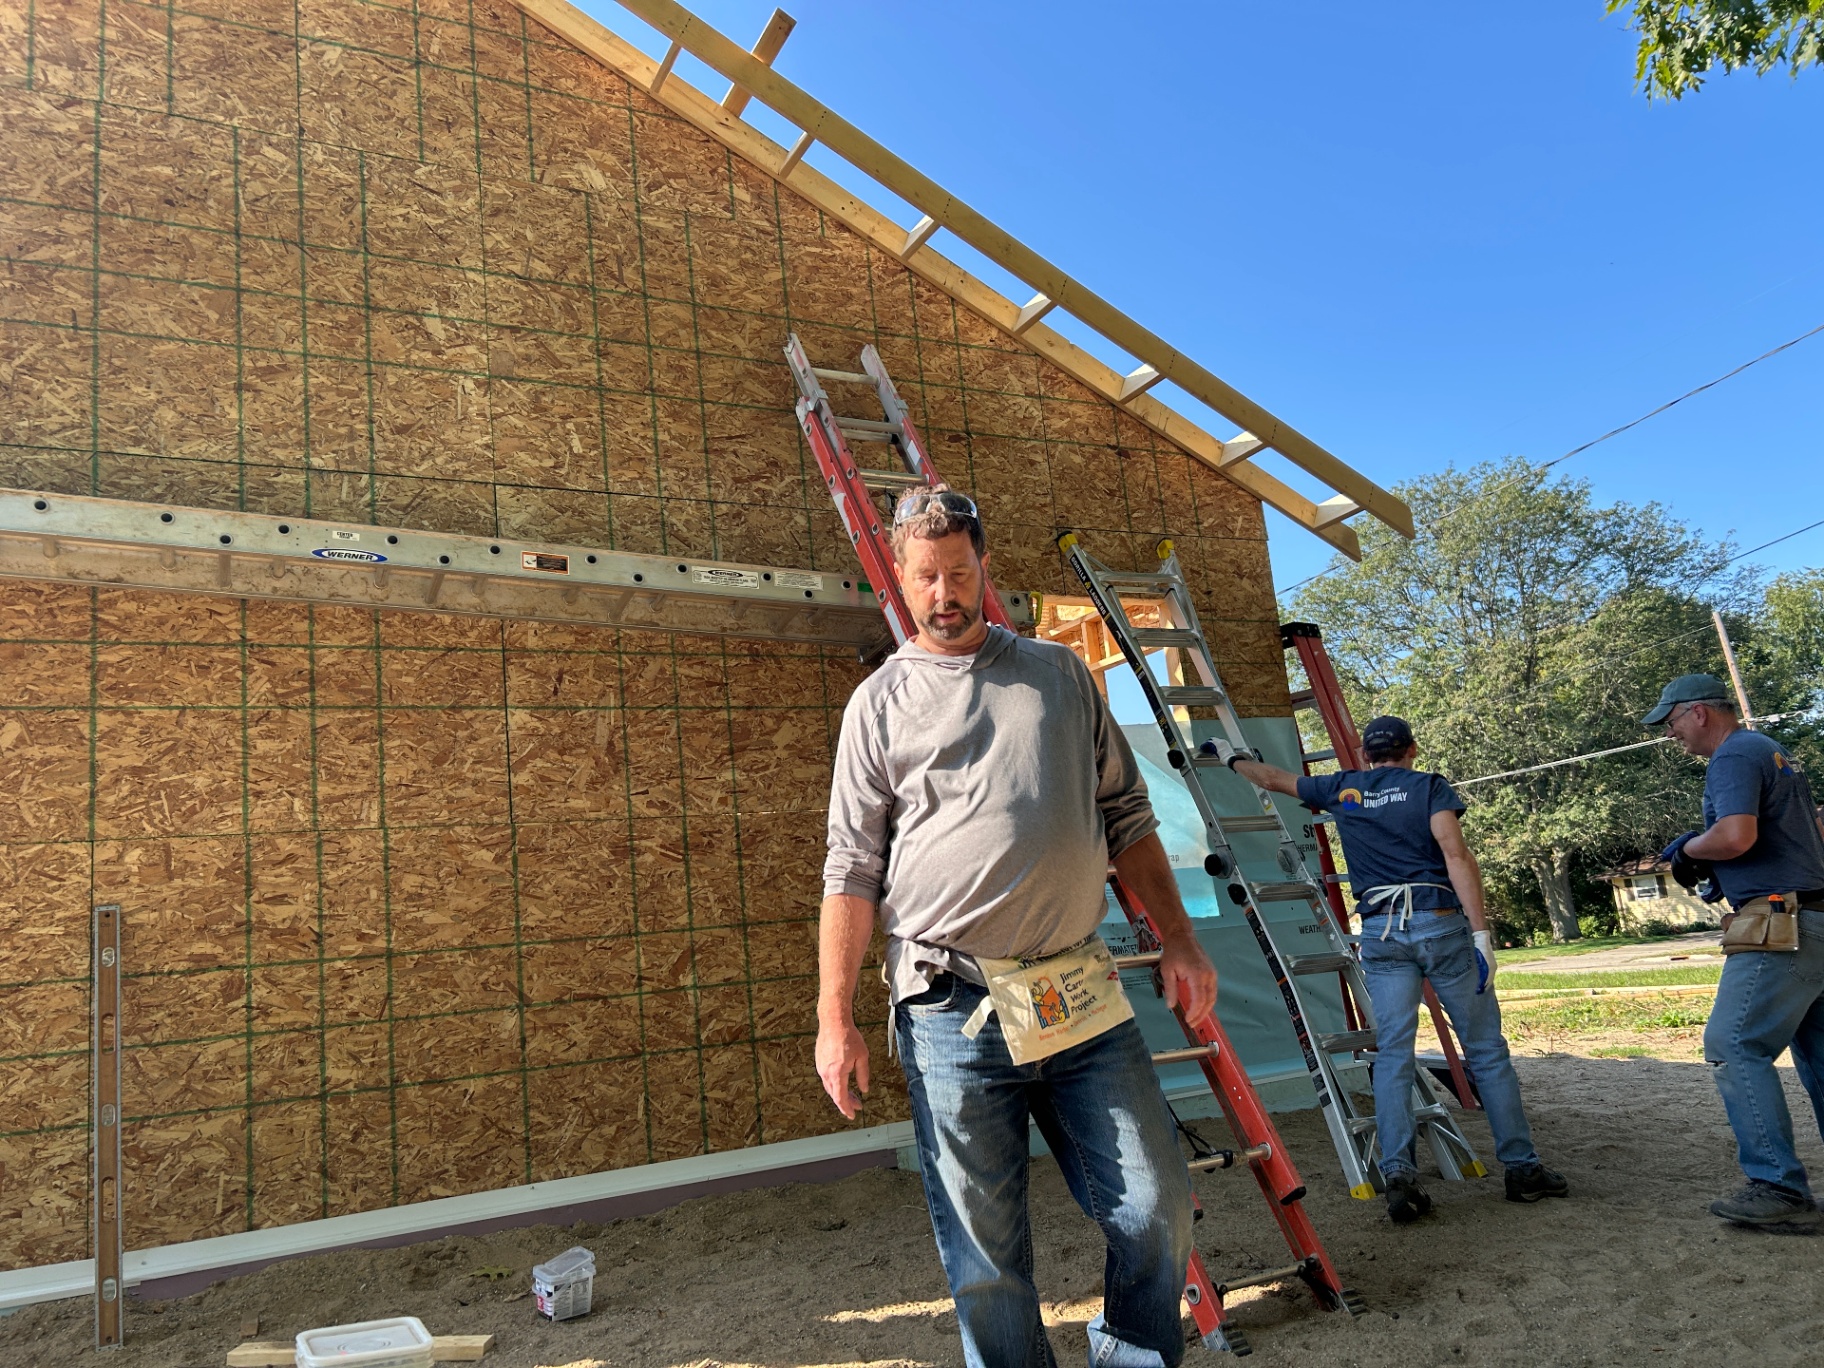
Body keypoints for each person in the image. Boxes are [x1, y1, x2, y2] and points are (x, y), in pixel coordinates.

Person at [816, 485, 1218, 1368]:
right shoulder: (878, 707)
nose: (944, 594)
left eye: (959, 573)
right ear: (900, 574)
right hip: (948, 1007)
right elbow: (849, 870)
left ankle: (1130, 1353)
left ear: (983, 569)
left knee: (1156, 1203)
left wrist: (1181, 936)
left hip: (1075, 989)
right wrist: (834, 1019)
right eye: (926, 577)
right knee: (985, 1257)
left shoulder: (1058, 673)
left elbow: (1128, 817)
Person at [1218, 716, 1567, 1222]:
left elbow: (1272, 779)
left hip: (1381, 932)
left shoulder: (1345, 788)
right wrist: (1481, 934)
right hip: (1440, 925)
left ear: (1365, 753)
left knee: (1394, 1055)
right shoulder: (1429, 788)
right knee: (1487, 1051)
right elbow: (1455, 856)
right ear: (1413, 749)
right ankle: (1521, 1168)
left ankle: (1399, 1175)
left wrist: (1231, 757)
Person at [1647, 673, 1824, 1231]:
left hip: (1781, 925)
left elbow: (1736, 836)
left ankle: (1777, 1186)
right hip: (1814, 918)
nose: (1670, 735)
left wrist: (1686, 849)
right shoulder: (1771, 752)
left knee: (1733, 1043)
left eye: (1671, 723)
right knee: (1818, 1056)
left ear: (1698, 713)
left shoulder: (1732, 755)